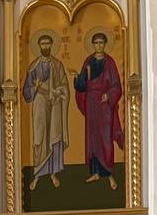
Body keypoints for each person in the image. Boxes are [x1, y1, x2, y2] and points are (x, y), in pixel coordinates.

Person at [73, 32, 124, 185]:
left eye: (101, 42)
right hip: (91, 103)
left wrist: (108, 95)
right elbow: (82, 85)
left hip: (104, 105)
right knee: (93, 138)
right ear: (93, 45)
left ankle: (109, 174)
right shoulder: (88, 61)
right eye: (96, 43)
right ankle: (95, 173)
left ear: (105, 44)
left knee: (105, 137)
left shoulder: (110, 62)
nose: (99, 45)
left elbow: (117, 86)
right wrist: (77, 77)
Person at [21, 32, 69, 190]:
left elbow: (64, 86)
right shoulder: (34, 66)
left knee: (53, 137)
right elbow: (26, 92)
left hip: (54, 104)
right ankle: (37, 174)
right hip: (40, 103)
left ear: (52, 45)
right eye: (43, 44)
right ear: (39, 46)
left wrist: (58, 91)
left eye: (48, 43)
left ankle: (53, 173)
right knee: (40, 137)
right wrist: (34, 88)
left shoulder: (57, 65)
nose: (46, 46)